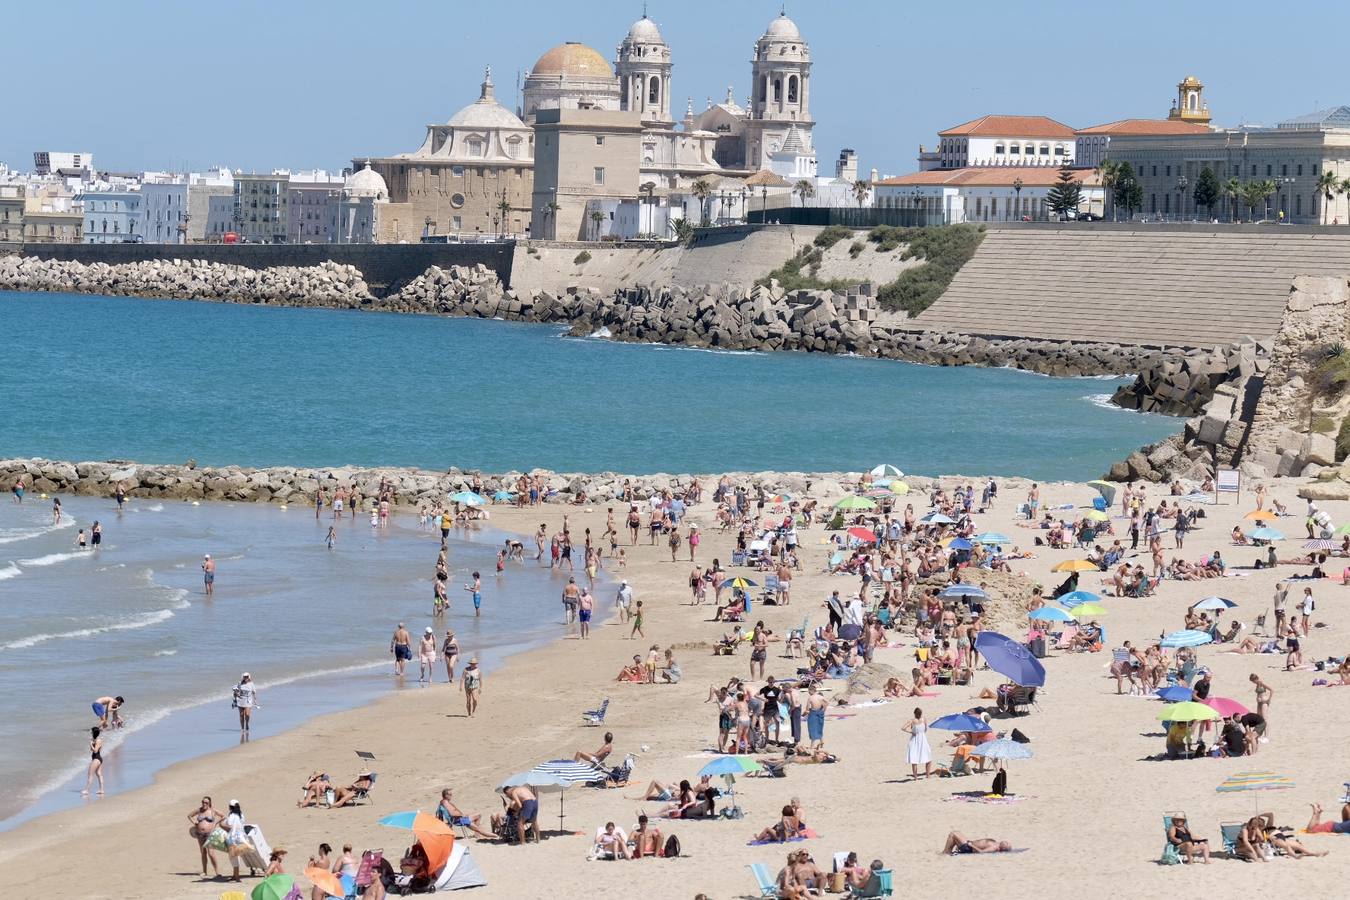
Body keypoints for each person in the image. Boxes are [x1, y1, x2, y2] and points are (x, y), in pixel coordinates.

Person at [188, 796, 226, 877]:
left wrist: (216, 823)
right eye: (203, 802)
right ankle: (204, 871)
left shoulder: (213, 811)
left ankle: (217, 872)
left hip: (210, 834)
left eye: (206, 802)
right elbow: (189, 816)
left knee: (211, 853)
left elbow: (223, 816)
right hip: (200, 834)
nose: (204, 804)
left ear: (209, 803)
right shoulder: (199, 810)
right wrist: (194, 822)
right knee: (203, 852)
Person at [903, 707, 933, 779]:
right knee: (928, 757)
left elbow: (903, 728)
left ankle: (915, 777)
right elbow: (925, 729)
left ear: (914, 714)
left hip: (915, 739)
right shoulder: (924, 719)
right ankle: (928, 775)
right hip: (923, 739)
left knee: (914, 758)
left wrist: (911, 732)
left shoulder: (912, 721)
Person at [941, 831, 1013, 854]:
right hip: (969, 843)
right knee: (956, 833)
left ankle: (946, 852)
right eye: (1008, 842)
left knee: (953, 834)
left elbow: (981, 852)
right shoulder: (996, 843)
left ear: (1002, 848)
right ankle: (948, 851)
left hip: (968, 847)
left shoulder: (994, 847)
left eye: (1007, 844)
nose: (1007, 842)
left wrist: (971, 845)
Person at [81, 726, 104, 795]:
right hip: (97, 758)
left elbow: (95, 751)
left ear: (94, 732)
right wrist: (91, 744)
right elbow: (92, 750)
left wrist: (91, 744)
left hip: (96, 759)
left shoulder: (98, 740)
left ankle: (87, 790)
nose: (90, 732)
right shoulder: (96, 740)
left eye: (91, 731)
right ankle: (101, 790)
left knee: (90, 774)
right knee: (99, 774)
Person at [805, 684, 827, 749]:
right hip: (820, 712)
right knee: (819, 728)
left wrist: (806, 713)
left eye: (809, 691)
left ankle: (812, 745)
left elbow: (807, 708)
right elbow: (826, 703)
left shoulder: (810, 697)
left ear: (811, 691)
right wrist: (823, 710)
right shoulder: (820, 696)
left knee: (812, 728)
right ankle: (821, 741)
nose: (808, 692)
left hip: (813, 713)